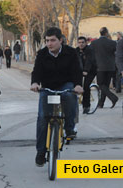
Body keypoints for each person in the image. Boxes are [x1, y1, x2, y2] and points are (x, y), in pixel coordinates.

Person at [30, 27, 83, 167]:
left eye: (53, 40)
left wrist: (78, 85)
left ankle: (69, 128)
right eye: (47, 41)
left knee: (70, 97)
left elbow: (77, 71)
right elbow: (36, 72)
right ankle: (41, 152)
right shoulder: (42, 54)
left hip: (65, 84)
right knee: (42, 118)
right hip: (47, 87)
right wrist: (35, 83)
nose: (49, 44)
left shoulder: (70, 52)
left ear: (61, 40)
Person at [90, 27, 118, 108]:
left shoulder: (94, 43)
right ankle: (101, 104)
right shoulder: (113, 43)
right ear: (106, 33)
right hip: (110, 67)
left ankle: (113, 98)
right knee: (105, 85)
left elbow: (90, 54)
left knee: (101, 84)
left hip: (100, 67)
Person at [76, 36, 97, 114]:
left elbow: (89, 61)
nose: (81, 44)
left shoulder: (89, 50)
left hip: (91, 70)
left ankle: (86, 106)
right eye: (79, 43)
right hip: (80, 71)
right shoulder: (76, 51)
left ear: (86, 43)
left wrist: (86, 70)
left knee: (86, 86)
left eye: (82, 42)